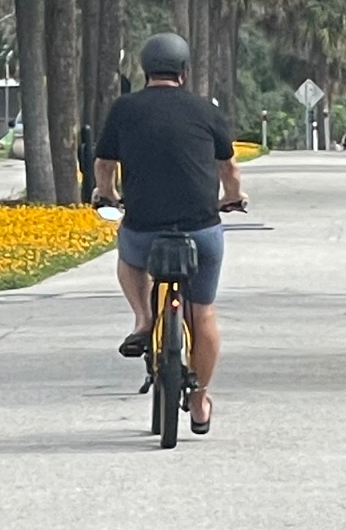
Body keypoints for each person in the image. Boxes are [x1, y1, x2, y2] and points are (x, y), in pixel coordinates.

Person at [92, 32, 245, 435]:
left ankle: (143, 319)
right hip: (201, 230)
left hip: (145, 228)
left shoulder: (124, 109)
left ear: (144, 71)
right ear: (184, 71)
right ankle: (199, 401)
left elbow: (104, 164)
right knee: (204, 314)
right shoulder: (204, 110)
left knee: (129, 258)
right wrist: (233, 197)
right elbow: (228, 170)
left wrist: (106, 194)